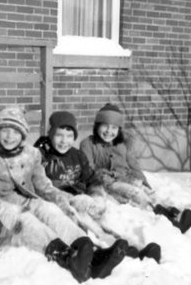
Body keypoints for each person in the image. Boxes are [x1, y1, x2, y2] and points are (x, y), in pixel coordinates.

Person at [0, 106, 138, 283]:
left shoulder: (30, 154)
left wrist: (65, 201)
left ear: (23, 134)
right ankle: (65, 257)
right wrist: (0, 208)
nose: (10, 137)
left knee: (49, 209)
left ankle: (90, 252)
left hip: (25, 201)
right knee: (25, 218)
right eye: (5, 131)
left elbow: (44, 187)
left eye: (16, 132)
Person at [35, 110, 161, 263]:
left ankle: (131, 248)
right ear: (50, 134)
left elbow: (91, 178)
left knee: (104, 220)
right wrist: (69, 199)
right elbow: (38, 185)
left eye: (69, 136)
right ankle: (99, 253)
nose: (64, 141)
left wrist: (96, 194)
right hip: (61, 204)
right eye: (59, 135)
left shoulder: (76, 156)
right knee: (86, 226)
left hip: (81, 199)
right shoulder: (42, 157)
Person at [80, 103, 191, 234]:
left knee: (149, 194)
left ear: (119, 130)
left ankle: (179, 215)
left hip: (127, 178)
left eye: (114, 127)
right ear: (97, 126)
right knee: (136, 194)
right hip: (106, 183)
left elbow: (133, 165)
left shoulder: (122, 144)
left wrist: (144, 182)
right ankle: (171, 222)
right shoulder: (88, 144)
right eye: (105, 126)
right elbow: (88, 170)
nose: (109, 131)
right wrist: (106, 176)